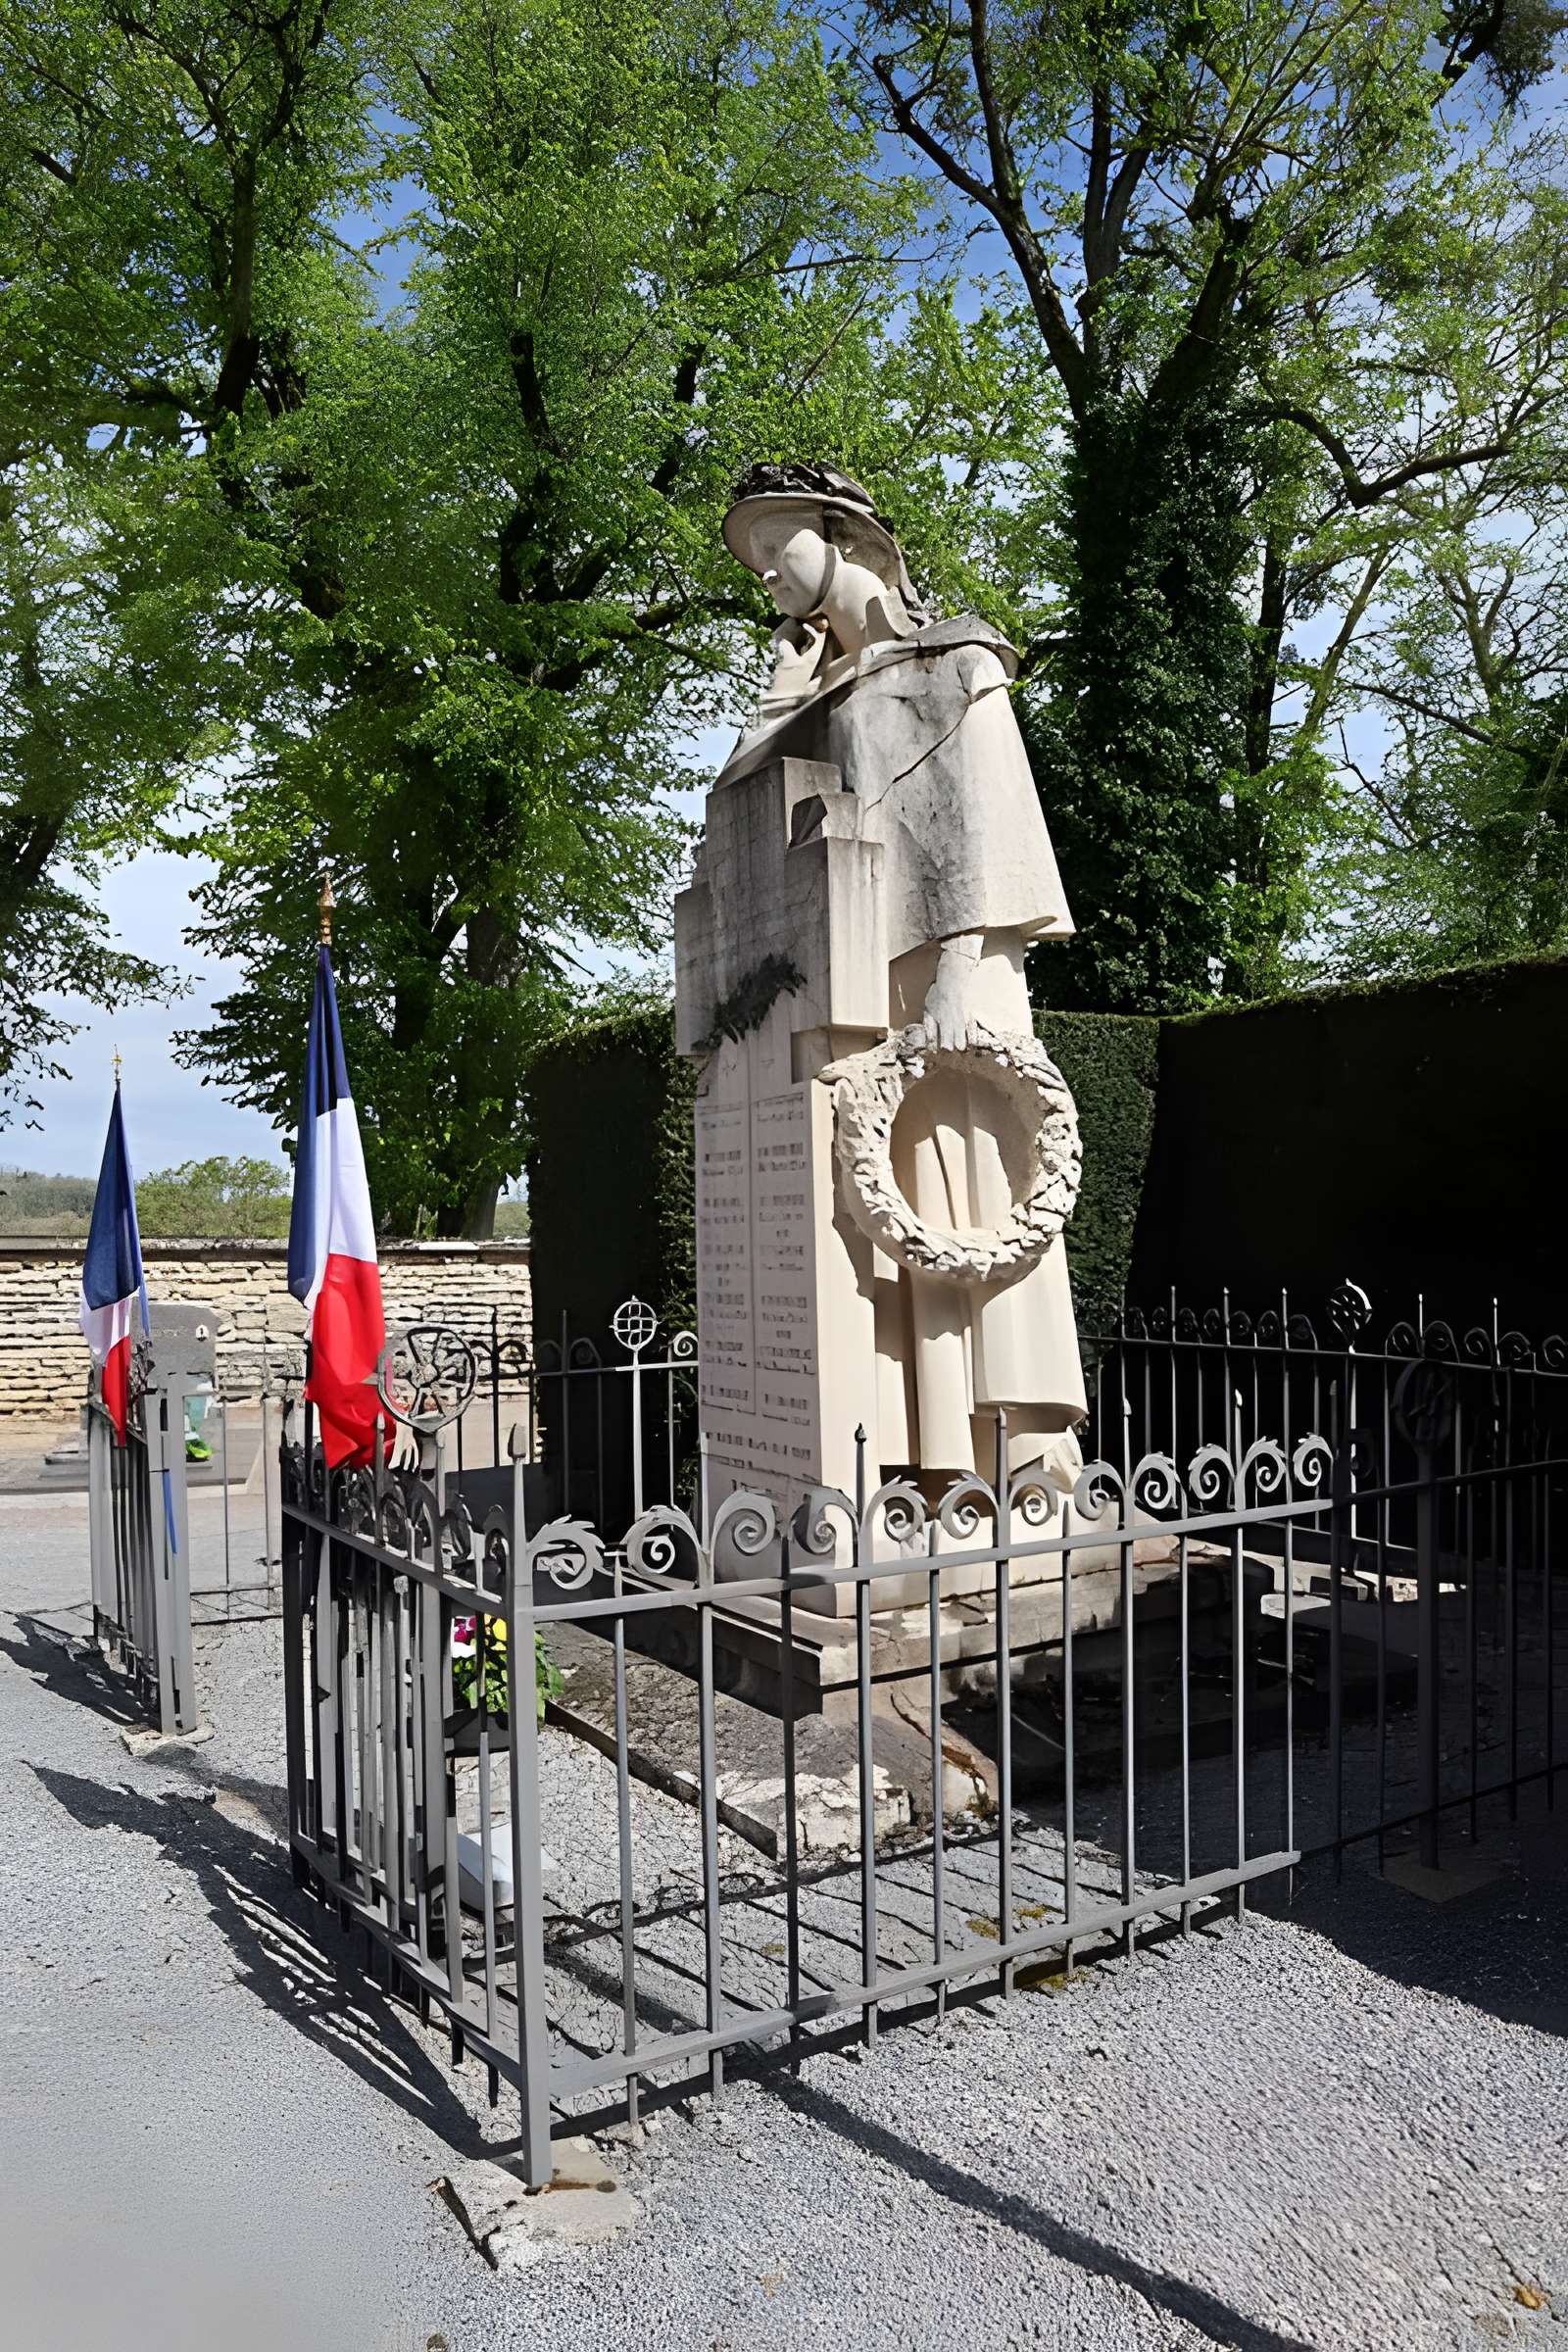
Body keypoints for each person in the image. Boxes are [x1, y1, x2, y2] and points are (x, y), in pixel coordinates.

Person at [718, 464, 1086, 1483]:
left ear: (840, 533)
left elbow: (991, 817)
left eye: (775, 547)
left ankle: (1021, 1454)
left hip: (955, 955)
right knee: (892, 1210)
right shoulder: (816, 690)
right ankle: (930, 1463)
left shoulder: (953, 654)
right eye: (753, 561)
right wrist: (776, 701)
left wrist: (967, 966)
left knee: (973, 1186)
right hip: (858, 973)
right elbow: (737, 829)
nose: (766, 576)